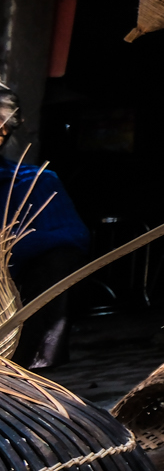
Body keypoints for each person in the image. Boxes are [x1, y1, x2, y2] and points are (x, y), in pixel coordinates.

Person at [0, 83, 90, 370]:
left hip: (10, 303)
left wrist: (11, 246)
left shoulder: (34, 182)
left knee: (57, 260)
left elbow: (69, 241)